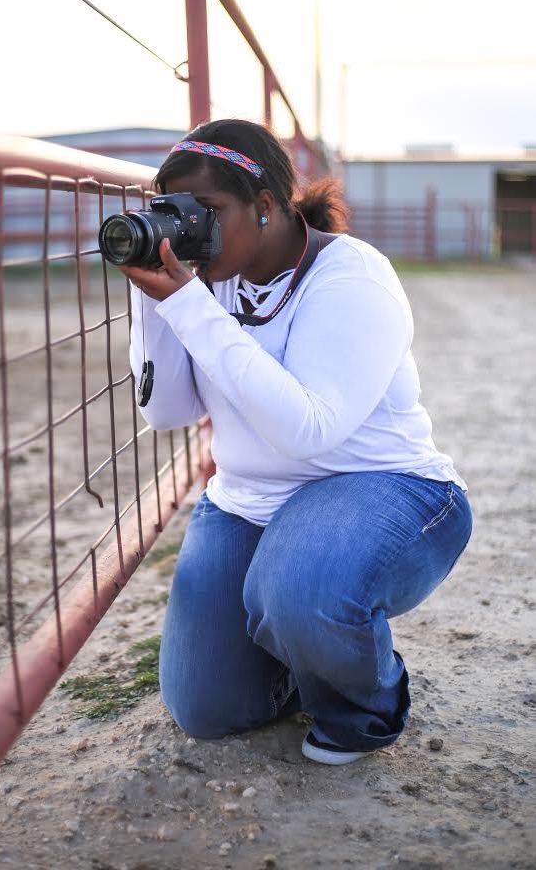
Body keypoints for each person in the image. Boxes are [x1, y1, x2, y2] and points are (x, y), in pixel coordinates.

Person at [118, 119, 472, 765]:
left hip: (383, 489)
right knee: (205, 709)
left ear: (264, 205)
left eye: (208, 211)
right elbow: (166, 410)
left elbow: (308, 431)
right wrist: (157, 301)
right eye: (173, 212)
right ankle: (309, 652)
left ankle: (366, 705)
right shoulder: (207, 278)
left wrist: (192, 308)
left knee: (299, 591)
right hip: (249, 502)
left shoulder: (350, 275)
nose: (189, 229)